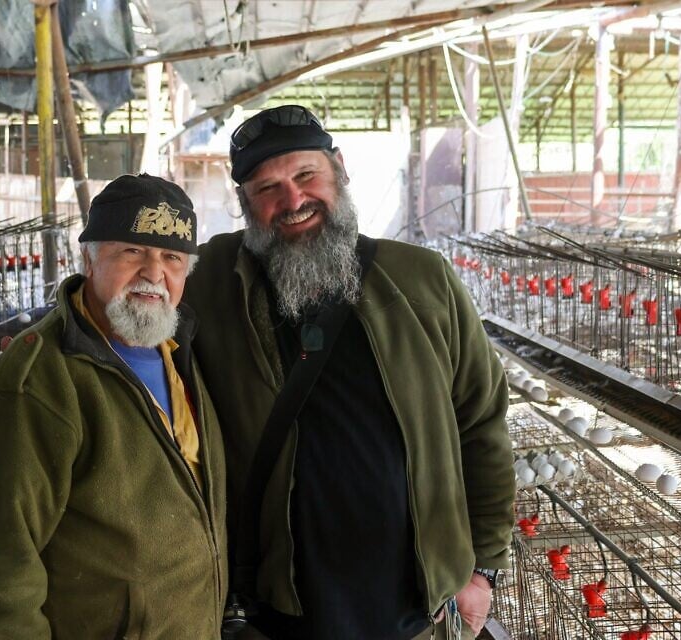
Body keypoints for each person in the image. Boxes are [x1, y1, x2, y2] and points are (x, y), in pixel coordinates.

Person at [183, 105, 514, 640]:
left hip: (415, 610)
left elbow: (482, 424)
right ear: (244, 203)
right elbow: (133, 279)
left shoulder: (423, 282)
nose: (292, 201)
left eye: (305, 175)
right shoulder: (213, 285)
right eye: (267, 189)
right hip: (281, 613)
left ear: (339, 167)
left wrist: (484, 569)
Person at [0, 174, 227, 639]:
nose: (154, 273)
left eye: (172, 258)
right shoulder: (41, 380)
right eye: (132, 252)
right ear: (88, 259)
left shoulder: (181, 351)